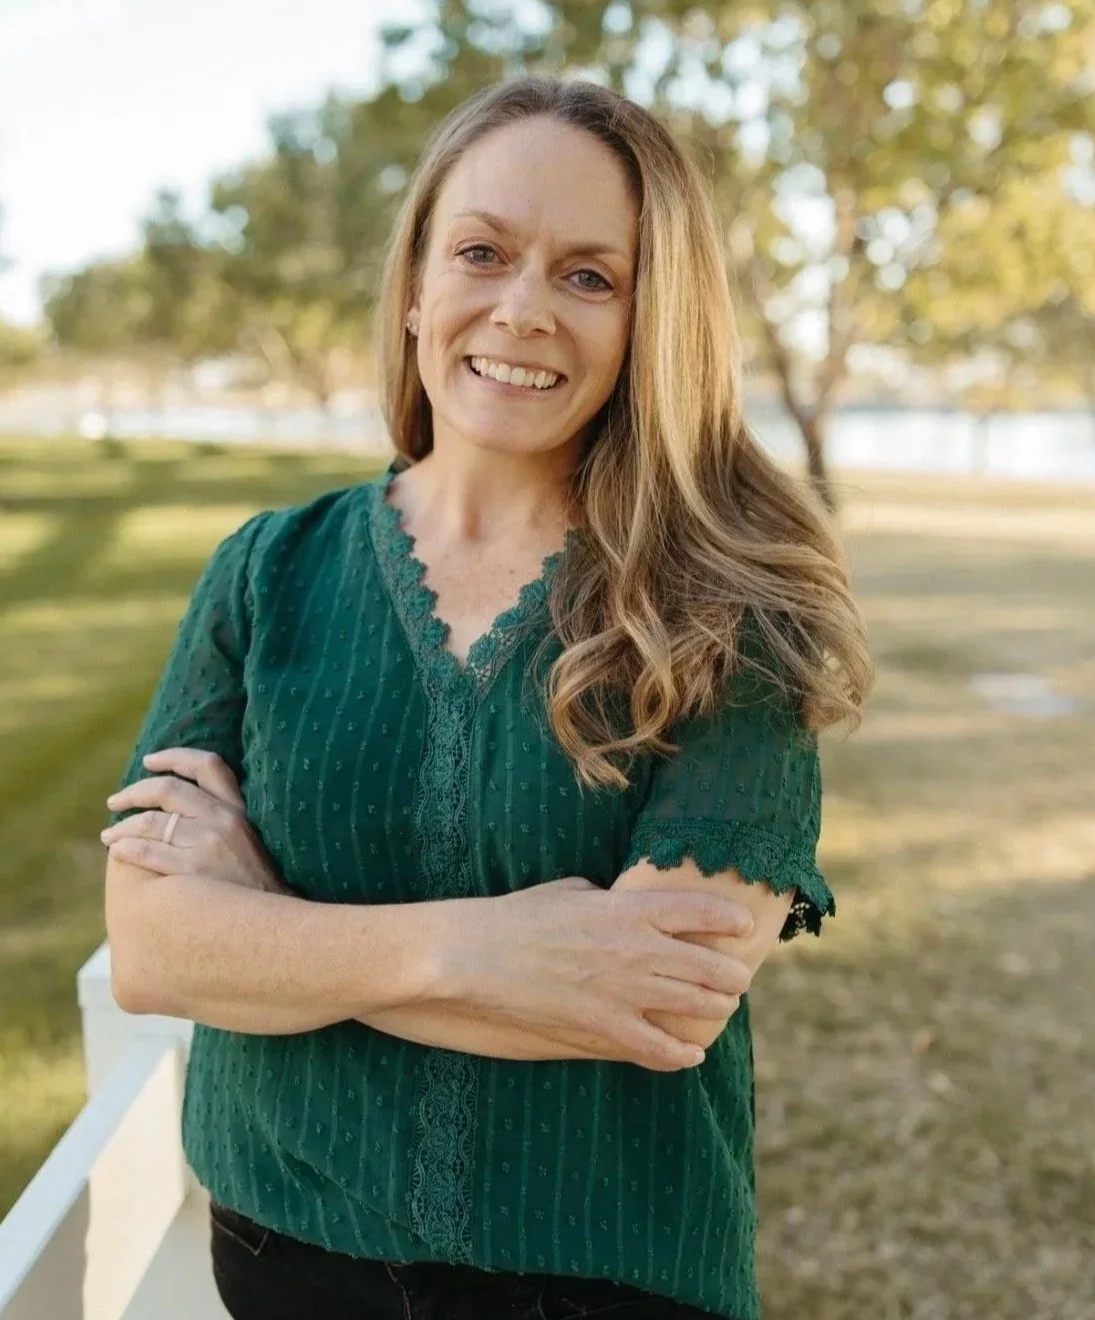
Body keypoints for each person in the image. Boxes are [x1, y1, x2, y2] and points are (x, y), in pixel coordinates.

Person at [100, 75, 872, 1320]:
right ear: (415, 286)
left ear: (648, 321)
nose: (522, 311)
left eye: (588, 276)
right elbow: (152, 948)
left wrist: (271, 933)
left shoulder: (736, 606)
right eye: (482, 252)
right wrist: (482, 948)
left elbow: (658, 1000)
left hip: (604, 1277)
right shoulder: (267, 572)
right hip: (284, 1252)